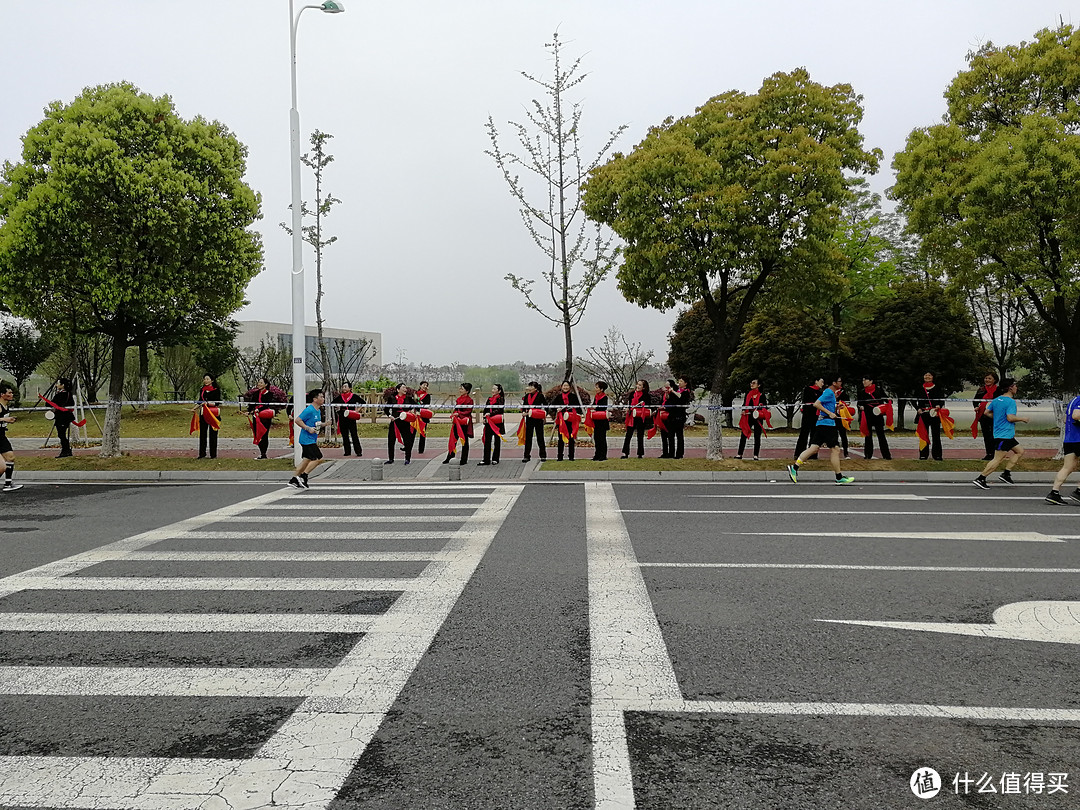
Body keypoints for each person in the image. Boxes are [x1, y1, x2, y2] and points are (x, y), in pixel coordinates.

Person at [787, 373, 855, 485]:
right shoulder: (828, 392)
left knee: (813, 448)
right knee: (835, 449)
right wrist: (829, 413)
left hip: (823, 424)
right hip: (827, 425)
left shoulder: (831, 393)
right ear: (834, 383)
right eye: (839, 381)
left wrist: (836, 408)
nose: (840, 383)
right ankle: (839, 477)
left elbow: (825, 405)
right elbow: (816, 404)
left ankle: (794, 468)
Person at [972, 378, 1028, 489]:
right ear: (1010, 387)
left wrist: (998, 418)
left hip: (1004, 434)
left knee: (1020, 451)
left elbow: (987, 412)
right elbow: (1010, 417)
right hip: (1004, 435)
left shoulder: (996, 400)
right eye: (1015, 385)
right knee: (997, 459)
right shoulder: (1011, 402)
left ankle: (1006, 474)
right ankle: (981, 478)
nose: (1017, 388)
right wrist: (1023, 419)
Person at [1046, 390, 1080, 505]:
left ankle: (1054, 493)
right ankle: (1079, 492)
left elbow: (1065, 419)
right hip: (1078, 439)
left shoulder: (1073, 400)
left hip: (1069, 439)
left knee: (1068, 467)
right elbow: (1076, 415)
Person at [288, 389, 326, 489]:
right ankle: (303, 476)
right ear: (314, 399)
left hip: (311, 439)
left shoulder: (317, 410)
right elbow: (297, 420)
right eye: (321, 397)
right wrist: (307, 428)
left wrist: (325, 424)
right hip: (306, 439)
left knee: (306, 460)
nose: (323, 398)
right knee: (319, 459)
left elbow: (316, 424)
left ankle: (294, 479)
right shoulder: (309, 410)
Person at [242, 377, 284, 460]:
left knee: (264, 434)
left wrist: (259, 409)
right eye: (259, 382)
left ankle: (264, 453)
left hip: (265, 416)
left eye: (261, 382)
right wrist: (249, 411)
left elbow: (267, 405)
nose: (259, 384)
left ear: (266, 384)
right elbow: (252, 404)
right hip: (256, 416)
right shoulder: (256, 393)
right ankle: (261, 452)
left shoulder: (270, 394)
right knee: (258, 434)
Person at [857, 377, 892, 460]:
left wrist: (888, 400)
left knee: (881, 435)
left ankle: (886, 455)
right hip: (867, 415)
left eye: (866, 380)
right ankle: (868, 455)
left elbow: (886, 399)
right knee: (868, 436)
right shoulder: (862, 392)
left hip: (877, 415)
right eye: (863, 380)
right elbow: (859, 403)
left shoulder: (878, 390)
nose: (864, 382)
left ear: (871, 381)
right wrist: (860, 407)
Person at [914, 371, 945, 461]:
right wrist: (918, 408)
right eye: (926, 375)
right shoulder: (919, 388)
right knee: (923, 435)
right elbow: (913, 399)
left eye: (929, 375)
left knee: (936, 435)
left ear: (933, 377)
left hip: (934, 414)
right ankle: (923, 455)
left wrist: (939, 406)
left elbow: (941, 399)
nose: (927, 377)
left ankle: (937, 455)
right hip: (923, 414)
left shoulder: (938, 388)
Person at [735, 379, 769, 460]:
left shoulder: (761, 395)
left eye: (754, 383)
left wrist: (761, 407)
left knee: (757, 436)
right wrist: (743, 410)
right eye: (751, 383)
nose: (751, 384)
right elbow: (744, 405)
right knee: (743, 435)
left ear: (759, 385)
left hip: (757, 417)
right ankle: (739, 454)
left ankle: (756, 455)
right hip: (748, 417)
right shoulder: (748, 395)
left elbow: (765, 407)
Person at [384, 383, 416, 465]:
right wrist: (390, 416)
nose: (405, 389)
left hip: (405, 421)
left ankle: (407, 459)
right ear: (398, 390)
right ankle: (391, 459)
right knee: (391, 441)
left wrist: (412, 411)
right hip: (395, 421)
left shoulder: (409, 398)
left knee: (407, 440)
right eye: (403, 387)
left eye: (405, 387)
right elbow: (386, 409)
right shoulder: (392, 398)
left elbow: (417, 406)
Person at [332, 382, 365, 457]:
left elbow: (363, 403)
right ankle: (347, 451)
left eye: (345, 387)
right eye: (343, 386)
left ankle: (358, 451)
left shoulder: (354, 396)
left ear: (350, 388)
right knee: (345, 435)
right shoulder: (340, 397)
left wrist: (357, 411)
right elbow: (332, 404)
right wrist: (338, 408)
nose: (344, 388)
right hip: (342, 418)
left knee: (354, 434)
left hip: (351, 417)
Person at [555, 380, 585, 461]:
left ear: (570, 387)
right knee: (561, 438)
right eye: (564, 386)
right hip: (562, 420)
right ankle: (560, 456)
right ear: (561, 387)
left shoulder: (573, 397)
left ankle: (571, 456)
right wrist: (557, 409)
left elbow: (578, 408)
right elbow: (553, 407)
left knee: (571, 438)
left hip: (571, 420)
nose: (565, 387)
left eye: (567, 386)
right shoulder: (558, 397)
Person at [794, 377, 824, 459]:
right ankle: (799, 453)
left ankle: (812, 454)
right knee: (804, 434)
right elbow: (808, 401)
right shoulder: (808, 389)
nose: (822, 384)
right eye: (821, 382)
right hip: (807, 415)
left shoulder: (821, 393)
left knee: (814, 435)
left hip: (816, 415)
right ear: (816, 381)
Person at [621, 379, 652, 459]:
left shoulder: (646, 395)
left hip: (640, 417)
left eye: (640, 385)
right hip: (632, 416)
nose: (638, 386)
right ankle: (625, 453)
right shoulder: (632, 394)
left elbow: (648, 405)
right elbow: (630, 404)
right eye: (637, 384)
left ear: (644, 387)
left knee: (640, 435)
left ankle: (640, 453)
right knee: (628, 435)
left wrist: (643, 404)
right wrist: (628, 409)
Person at [444, 382, 474, 465]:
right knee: (453, 439)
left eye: (462, 389)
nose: (460, 390)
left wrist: (459, 414)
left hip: (464, 422)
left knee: (464, 441)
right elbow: (456, 409)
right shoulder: (459, 399)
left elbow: (468, 411)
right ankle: (450, 456)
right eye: (460, 388)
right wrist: (454, 414)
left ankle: (464, 459)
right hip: (457, 422)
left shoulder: (469, 400)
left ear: (467, 391)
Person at [0, 382, 22, 492]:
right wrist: (4, 420)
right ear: (2, 394)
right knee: (2, 467)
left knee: (10, 457)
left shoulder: (5, 405)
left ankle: (8, 484)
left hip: (1, 436)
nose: (12, 394)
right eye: (9, 393)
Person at [972, 372, 999, 461]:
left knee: (995, 435)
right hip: (983, 415)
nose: (987, 380)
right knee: (986, 435)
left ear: (994, 380)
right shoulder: (981, 389)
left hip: (994, 415)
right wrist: (976, 406)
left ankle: (997, 454)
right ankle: (989, 453)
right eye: (986, 378)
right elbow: (975, 400)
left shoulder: (998, 390)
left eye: (989, 378)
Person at [194, 374, 222, 459]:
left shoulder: (216, 390)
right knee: (203, 434)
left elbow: (217, 402)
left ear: (212, 380)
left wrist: (208, 403)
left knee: (213, 434)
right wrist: (194, 408)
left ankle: (213, 454)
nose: (205, 380)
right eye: (204, 379)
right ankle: (202, 453)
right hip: (204, 413)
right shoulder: (202, 390)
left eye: (207, 379)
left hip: (213, 414)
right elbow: (200, 401)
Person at [519, 381, 547, 463]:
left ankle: (543, 455)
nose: (529, 388)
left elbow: (545, 406)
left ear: (536, 388)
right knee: (528, 438)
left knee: (540, 437)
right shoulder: (527, 396)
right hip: (529, 418)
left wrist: (543, 415)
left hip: (538, 419)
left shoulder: (540, 396)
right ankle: (526, 456)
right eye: (529, 386)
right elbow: (524, 406)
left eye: (531, 387)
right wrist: (523, 412)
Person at [478, 383, 505, 465]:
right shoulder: (489, 399)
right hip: (489, 422)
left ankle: (495, 459)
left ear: (499, 391)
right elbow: (485, 409)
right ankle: (486, 459)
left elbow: (500, 410)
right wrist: (484, 417)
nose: (492, 390)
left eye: (494, 389)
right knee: (487, 441)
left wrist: (491, 414)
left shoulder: (501, 399)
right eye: (492, 389)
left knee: (497, 441)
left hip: (497, 423)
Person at [670, 377, 692, 459]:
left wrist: (673, 391)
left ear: (685, 383)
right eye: (679, 381)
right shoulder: (677, 390)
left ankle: (679, 453)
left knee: (679, 435)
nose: (679, 383)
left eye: (681, 381)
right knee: (671, 435)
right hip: (673, 414)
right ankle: (671, 452)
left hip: (680, 415)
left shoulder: (686, 392)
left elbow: (681, 398)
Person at [589, 381, 610, 461]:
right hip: (596, 421)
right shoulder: (596, 396)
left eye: (597, 387)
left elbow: (603, 408)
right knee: (596, 438)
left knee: (602, 438)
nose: (596, 389)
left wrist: (595, 409)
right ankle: (597, 455)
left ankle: (603, 455)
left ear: (601, 389)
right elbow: (594, 404)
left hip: (603, 421)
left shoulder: (604, 397)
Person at [658, 380, 678, 459]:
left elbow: (672, 404)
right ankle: (665, 453)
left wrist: (665, 407)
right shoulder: (664, 394)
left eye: (668, 387)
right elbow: (663, 401)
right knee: (663, 435)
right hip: (663, 416)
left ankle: (671, 453)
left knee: (670, 435)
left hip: (670, 416)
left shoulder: (673, 394)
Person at [415, 381, 432, 455]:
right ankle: (407, 447)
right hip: (414, 415)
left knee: (422, 433)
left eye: (426, 385)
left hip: (423, 416)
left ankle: (421, 449)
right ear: (420, 385)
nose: (425, 386)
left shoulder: (427, 396)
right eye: (424, 385)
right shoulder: (415, 394)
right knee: (411, 432)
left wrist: (420, 402)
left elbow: (426, 405)